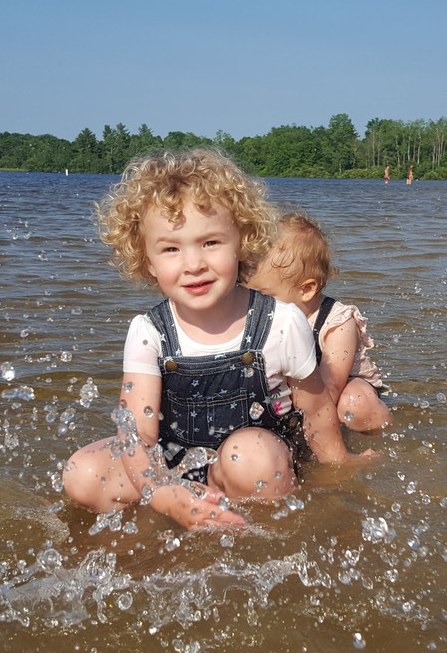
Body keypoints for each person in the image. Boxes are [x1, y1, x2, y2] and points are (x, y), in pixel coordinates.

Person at [62, 149, 367, 530]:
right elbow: (136, 430)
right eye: (171, 248)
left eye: (210, 243)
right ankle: (166, 522)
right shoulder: (148, 331)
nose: (194, 264)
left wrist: (338, 465)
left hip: (257, 458)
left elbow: (316, 407)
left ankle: (258, 531)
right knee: (84, 473)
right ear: (147, 260)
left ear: (242, 240)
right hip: (178, 461)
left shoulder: (281, 323)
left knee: (250, 457)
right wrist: (160, 493)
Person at [248, 212, 392, 434]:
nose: (252, 303)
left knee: (356, 403)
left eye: (262, 295)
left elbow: (330, 388)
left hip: (342, 388)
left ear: (306, 289)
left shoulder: (337, 323)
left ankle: (382, 434)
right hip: (294, 391)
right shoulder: (259, 316)